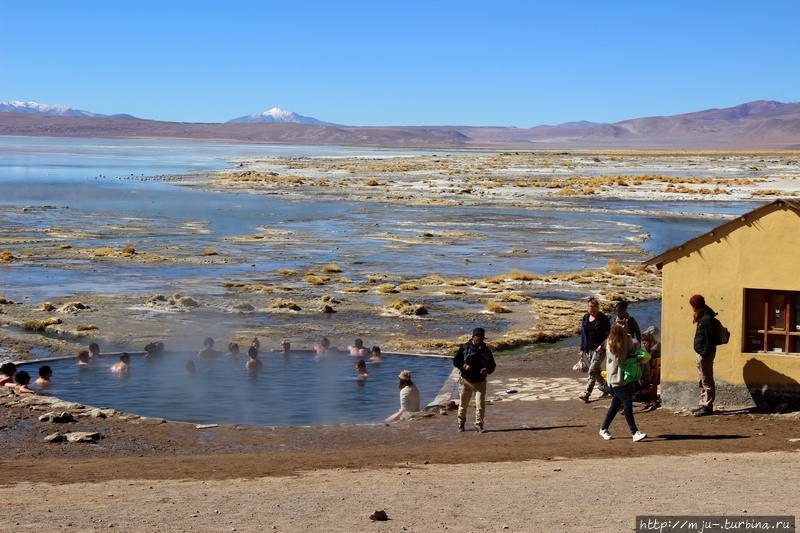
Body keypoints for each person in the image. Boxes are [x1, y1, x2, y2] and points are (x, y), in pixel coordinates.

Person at [599, 322, 646, 442]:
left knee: (615, 405)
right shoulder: (611, 344)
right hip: (616, 379)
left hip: (627, 377)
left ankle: (603, 428)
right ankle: (634, 432)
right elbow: (619, 361)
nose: (626, 333)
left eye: (626, 330)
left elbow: (632, 353)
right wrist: (623, 345)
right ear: (617, 332)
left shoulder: (629, 338)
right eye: (623, 331)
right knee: (627, 401)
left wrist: (638, 356)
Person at [453, 327, 496, 433]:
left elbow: (493, 365)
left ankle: (479, 425)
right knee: (463, 404)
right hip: (466, 381)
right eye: (477, 336)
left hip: (480, 382)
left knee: (480, 405)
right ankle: (461, 423)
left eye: (481, 337)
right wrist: (464, 366)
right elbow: (456, 361)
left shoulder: (486, 351)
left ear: (483, 338)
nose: (479, 338)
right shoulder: (464, 348)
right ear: (473, 337)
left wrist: (488, 370)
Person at [578, 297, 612, 402]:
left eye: (594, 310)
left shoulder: (603, 319)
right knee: (597, 372)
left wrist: (602, 345)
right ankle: (606, 389)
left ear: (597, 308)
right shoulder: (585, 318)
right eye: (590, 310)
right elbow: (583, 335)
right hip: (588, 349)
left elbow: (609, 334)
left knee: (592, 370)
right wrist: (582, 349)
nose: (592, 312)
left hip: (600, 349)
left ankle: (587, 393)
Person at [690, 294, 717, 417]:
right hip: (701, 353)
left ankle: (707, 406)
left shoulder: (707, 319)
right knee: (702, 380)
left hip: (704, 355)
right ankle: (703, 404)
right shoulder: (703, 316)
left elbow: (710, 339)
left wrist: (704, 353)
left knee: (707, 381)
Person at [639, 327, 661, 412]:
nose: (644, 345)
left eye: (645, 343)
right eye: (643, 344)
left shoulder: (652, 352)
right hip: (657, 375)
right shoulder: (658, 347)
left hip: (652, 378)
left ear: (649, 342)